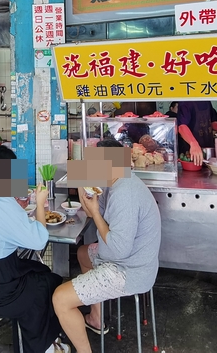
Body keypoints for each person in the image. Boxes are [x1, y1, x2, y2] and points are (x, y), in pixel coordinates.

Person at [53, 138, 161, 353]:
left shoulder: (125, 193)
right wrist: (83, 182)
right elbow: (99, 213)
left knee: (60, 299)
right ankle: (95, 318)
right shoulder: (117, 181)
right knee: (84, 253)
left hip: (127, 270)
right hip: (127, 258)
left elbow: (118, 248)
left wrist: (93, 211)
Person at [0, 152, 69, 353]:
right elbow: (38, 240)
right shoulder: (3, 204)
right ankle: (43, 346)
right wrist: (39, 204)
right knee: (45, 284)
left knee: (39, 270)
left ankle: (39, 339)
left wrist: (16, 209)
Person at [177, 101, 217, 166]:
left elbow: (211, 122)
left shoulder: (206, 101)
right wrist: (193, 143)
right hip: (191, 154)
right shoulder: (186, 102)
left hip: (209, 152)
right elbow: (181, 127)